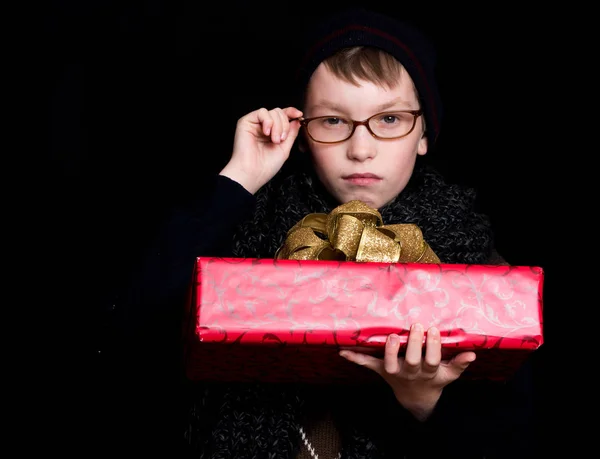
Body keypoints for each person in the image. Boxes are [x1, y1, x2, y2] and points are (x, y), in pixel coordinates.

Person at [101, 6, 540, 459]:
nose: (361, 149)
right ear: (303, 132)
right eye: (333, 121)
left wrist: (422, 402)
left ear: (423, 133)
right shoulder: (246, 223)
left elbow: (514, 438)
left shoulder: (473, 259)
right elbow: (128, 332)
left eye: (389, 120)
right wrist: (239, 181)